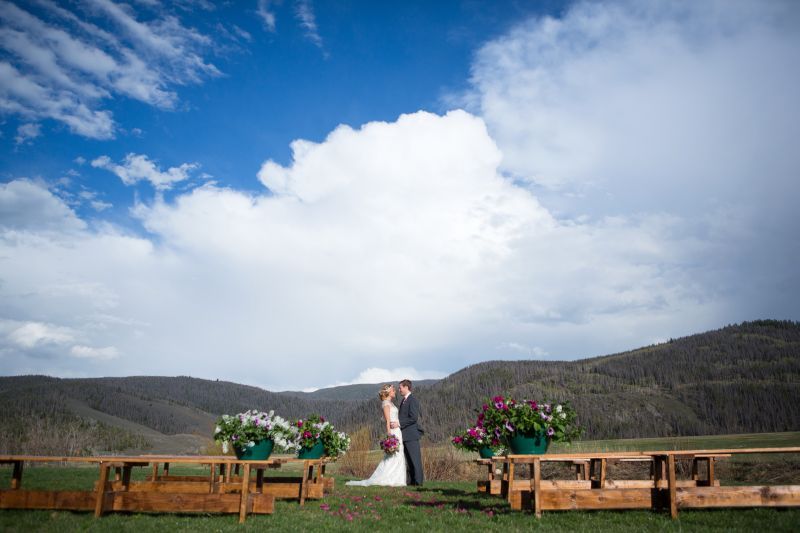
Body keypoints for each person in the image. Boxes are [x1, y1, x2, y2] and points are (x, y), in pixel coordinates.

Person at [345, 384, 407, 486]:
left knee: (399, 455)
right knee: (393, 455)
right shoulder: (386, 404)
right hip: (393, 432)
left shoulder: (391, 403)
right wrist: (390, 436)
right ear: (388, 392)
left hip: (398, 430)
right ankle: (388, 477)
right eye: (393, 390)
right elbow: (387, 421)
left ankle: (398, 479)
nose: (395, 391)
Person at [393, 379, 424, 486]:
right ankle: (411, 482)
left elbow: (413, 418)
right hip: (405, 436)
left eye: (400, 387)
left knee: (415, 460)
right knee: (409, 461)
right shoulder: (403, 401)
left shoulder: (412, 400)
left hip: (411, 435)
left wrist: (399, 423)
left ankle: (418, 482)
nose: (399, 389)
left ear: (406, 387)